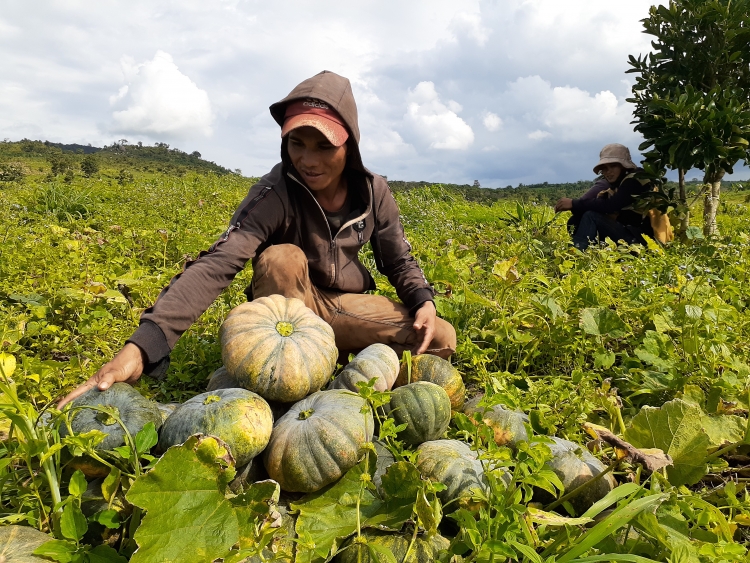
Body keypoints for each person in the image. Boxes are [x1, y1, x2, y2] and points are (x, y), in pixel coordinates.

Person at [60, 71, 456, 407]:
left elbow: (397, 260)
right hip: (287, 310)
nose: (309, 160)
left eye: (324, 146)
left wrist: (423, 301)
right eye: (296, 143)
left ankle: (337, 368)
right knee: (280, 258)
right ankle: (288, 378)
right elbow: (218, 264)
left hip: (344, 306)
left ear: (349, 144)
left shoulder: (373, 192)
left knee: (438, 337)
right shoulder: (275, 193)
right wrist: (141, 347)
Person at [554, 144, 654, 250]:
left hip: (640, 240)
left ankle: (576, 254)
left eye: (613, 166)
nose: (608, 172)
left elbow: (611, 206)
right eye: (604, 169)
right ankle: (593, 251)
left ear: (624, 166)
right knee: (576, 220)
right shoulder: (619, 183)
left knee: (591, 216)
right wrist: (577, 208)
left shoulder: (635, 179)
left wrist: (574, 203)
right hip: (629, 234)